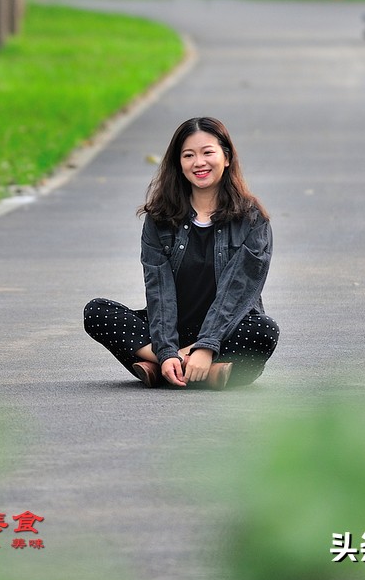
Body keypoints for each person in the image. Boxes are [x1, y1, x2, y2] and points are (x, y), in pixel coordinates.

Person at [84, 118, 278, 390]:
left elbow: (237, 293)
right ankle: (196, 370)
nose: (199, 162)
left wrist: (205, 347)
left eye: (207, 152)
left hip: (227, 328)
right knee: (97, 312)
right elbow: (159, 289)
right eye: (189, 155)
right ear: (179, 164)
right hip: (170, 331)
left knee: (264, 330)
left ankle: (171, 368)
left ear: (226, 157)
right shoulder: (160, 220)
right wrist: (165, 349)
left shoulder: (252, 219)